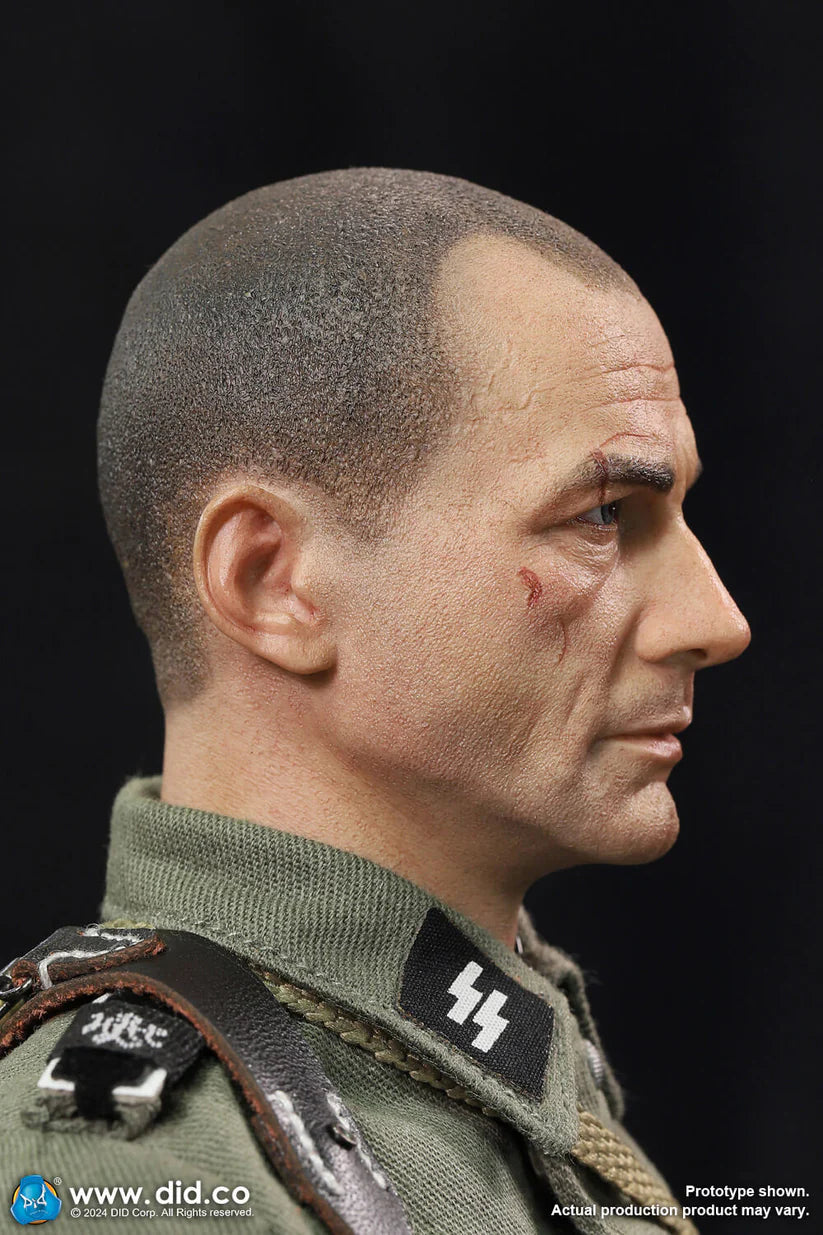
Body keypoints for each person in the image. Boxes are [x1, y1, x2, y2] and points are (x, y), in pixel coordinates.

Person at [0, 169, 749, 1234]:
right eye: (602, 514)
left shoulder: (481, 1074)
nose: (715, 619)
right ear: (273, 581)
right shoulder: (130, 1179)